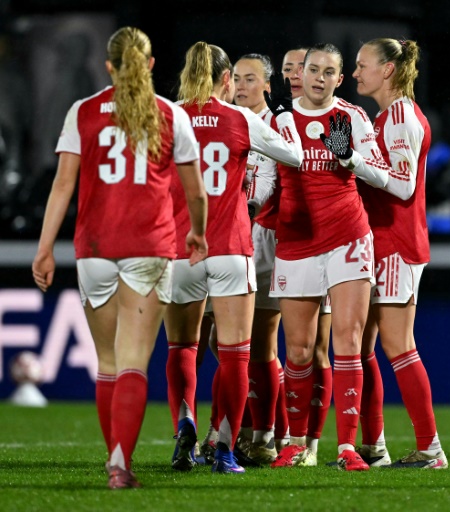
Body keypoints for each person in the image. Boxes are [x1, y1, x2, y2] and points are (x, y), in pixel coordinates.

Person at [32, 26, 208, 489]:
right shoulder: (169, 114)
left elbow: (63, 185)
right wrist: (199, 234)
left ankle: (114, 458)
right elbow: (195, 191)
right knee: (133, 361)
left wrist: (45, 247)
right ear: (150, 65)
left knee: (107, 362)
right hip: (148, 247)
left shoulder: (83, 111)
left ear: (108, 66)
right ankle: (119, 465)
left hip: (94, 248)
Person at [164, 41, 302, 474]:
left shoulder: (167, 116)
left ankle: (184, 427)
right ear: (227, 79)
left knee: (182, 347)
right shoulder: (241, 118)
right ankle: (224, 446)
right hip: (230, 247)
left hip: (180, 248)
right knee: (236, 353)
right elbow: (293, 156)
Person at [269, 43, 390, 471]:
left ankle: (346, 449)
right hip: (297, 241)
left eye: (329, 72)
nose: (319, 77)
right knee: (299, 351)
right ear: (299, 72)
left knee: (348, 344)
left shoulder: (352, 118)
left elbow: (383, 177)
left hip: (347, 237)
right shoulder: (280, 121)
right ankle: (296, 443)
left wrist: (348, 158)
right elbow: (265, 185)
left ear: (340, 79)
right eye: (313, 69)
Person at [353, 38, 448, 469]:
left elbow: (403, 186)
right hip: (383, 239)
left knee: (398, 345)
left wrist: (350, 159)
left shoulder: (401, 117)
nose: (356, 73)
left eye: (362, 65)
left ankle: (430, 449)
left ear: (388, 69)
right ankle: (374, 446)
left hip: (396, 243)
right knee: (363, 347)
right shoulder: (385, 115)